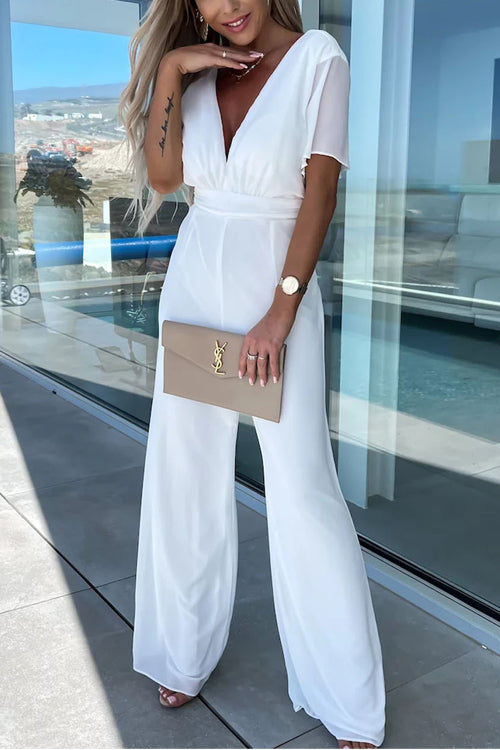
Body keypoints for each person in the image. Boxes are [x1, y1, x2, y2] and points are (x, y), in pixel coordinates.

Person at [118, 0, 386, 747]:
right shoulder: (198, 75)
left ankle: (346, 694)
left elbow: (320, 191)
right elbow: (165, 178)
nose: (228, 6)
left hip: (276, 292)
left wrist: (282, 311)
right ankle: (181, 650)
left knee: (300, 485)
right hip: (195, 285)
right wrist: (173, 69)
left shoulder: (317, 57)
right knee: (184, 473)